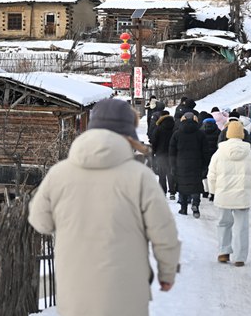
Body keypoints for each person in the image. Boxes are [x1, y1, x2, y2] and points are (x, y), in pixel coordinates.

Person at [28, 99, 180, 316]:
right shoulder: (140, 177)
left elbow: (40, 222)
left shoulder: (59, 174)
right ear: (127, 134)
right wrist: (167, 273)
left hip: (75, 289)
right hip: (127, 292)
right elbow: (163, 231)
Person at [207, 119, 251, 267]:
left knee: (223, 223)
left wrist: (212, 191)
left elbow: (211, 174)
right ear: (242, 135)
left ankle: (224, 251)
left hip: (223, 194)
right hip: (243, 195)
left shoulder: (219, 153)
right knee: (241, 226)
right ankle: (239, 257)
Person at [169, 111, 210, 218]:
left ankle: (183, 208)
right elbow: (206, 151)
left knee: (182, 186)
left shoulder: (177, 134)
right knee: (196, 186)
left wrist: (173, 165)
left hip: (181, 164)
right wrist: (205, 165)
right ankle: (195, 206)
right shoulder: (200, 134)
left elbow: (172, 152)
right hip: (197, 163)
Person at [149, 110, 177, 199]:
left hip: (160, 153)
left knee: (162, 173)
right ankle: (172, 192)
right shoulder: (175, 127)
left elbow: (154, 142)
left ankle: (162, 192)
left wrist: (153, 153)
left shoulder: (158, 128)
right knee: (171, 173)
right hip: (172, 154)